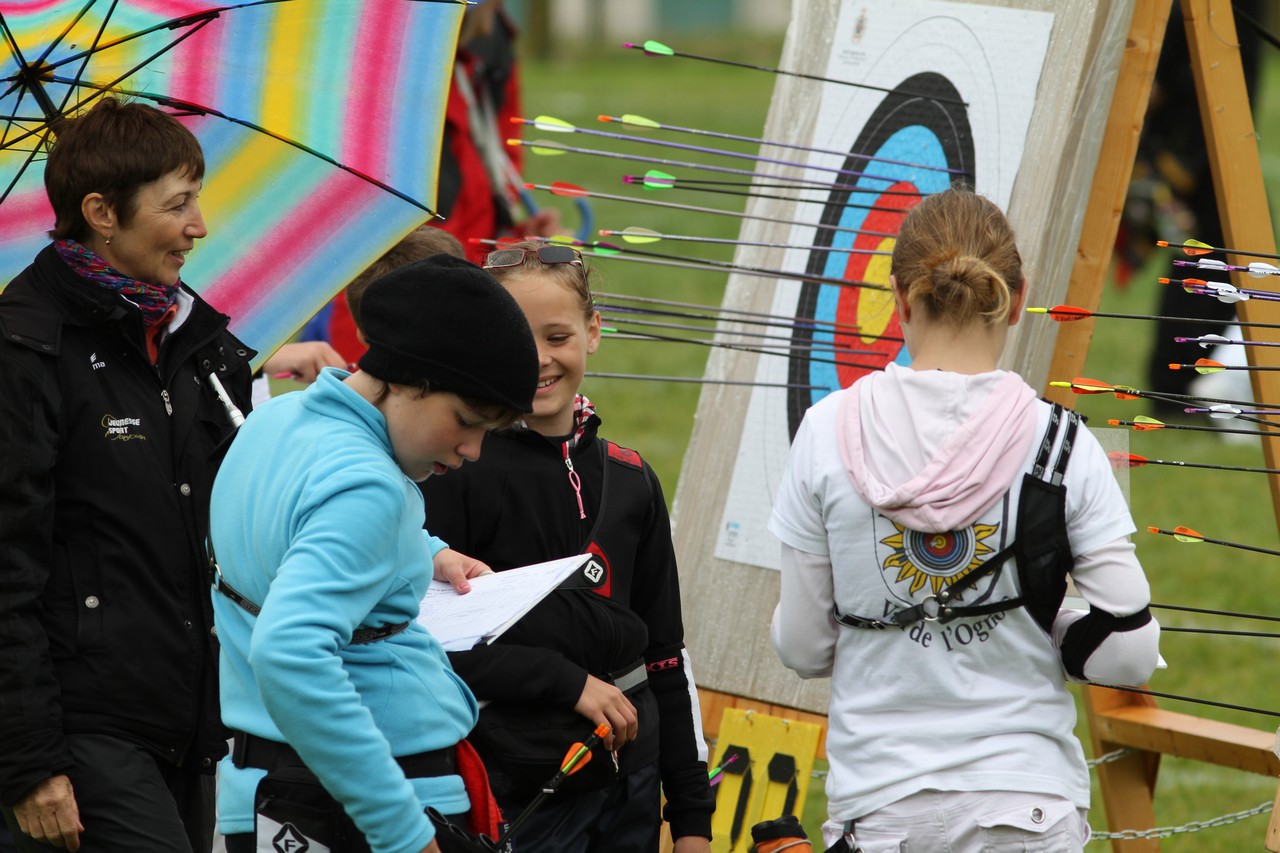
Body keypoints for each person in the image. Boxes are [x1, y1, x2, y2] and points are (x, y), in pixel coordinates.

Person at [768, 189, 1161, 852]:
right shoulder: (1063, 444)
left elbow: (804, 646)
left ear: (897, 298)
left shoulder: (824, 430)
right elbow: (1128, 651)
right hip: (1026, 804)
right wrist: (1045, 612)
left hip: (883, 807)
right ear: (1017, 295)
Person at [209, 254, 539, 853]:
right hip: (371, 802)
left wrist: (425, 550)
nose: (473, 450)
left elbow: (296, 534)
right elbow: (289, 653)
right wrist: (405, 833)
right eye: (466, 420)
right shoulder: (372, 489)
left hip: (260, 793)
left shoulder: (275, 421)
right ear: (409, 377)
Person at [0, 97, 255, 852]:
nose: (199, 225)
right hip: (81, 732)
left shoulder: (198, 346)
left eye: (197, 199)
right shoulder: (24, 350)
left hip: (188, 722)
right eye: (178, 204)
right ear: (101, 212)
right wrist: (32, 762)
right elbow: (5, 566)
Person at [420, 241, 715, 852]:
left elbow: (665, 657)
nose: (538, 361)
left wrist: (691, 820)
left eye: (557, 336)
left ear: (593, 330)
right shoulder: (455, 469)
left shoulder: (633, 479)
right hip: (517, 788)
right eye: (516, 339)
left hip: (630, 790)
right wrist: (565, 682)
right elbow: (426, 642)